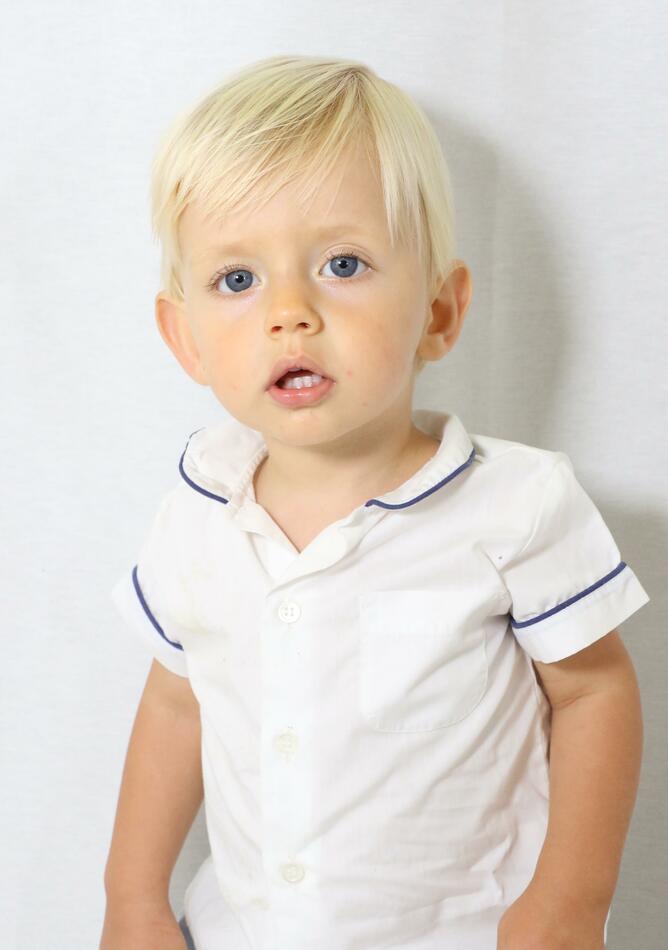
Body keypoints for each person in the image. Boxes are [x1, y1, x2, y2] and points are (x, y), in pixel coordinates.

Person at [99, 55, 651, 950]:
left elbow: (594, 693)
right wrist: (132, 900)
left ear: (438, 312)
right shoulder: (197, 515)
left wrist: (571, 902)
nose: (290, 312)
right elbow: (176, 704)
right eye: (238, 280)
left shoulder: (514, 507)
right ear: (185, 337)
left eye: (343, 264)